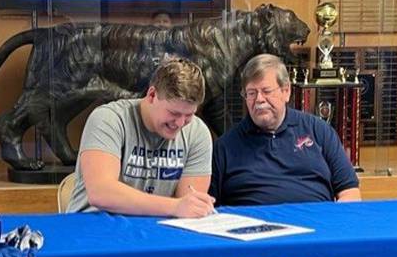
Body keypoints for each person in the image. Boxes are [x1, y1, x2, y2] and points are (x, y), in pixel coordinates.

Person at [66, 58, 215, 217]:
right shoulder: (108, 119)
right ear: (151, 95)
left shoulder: (197, 132)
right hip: (94, 227)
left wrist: (189, 206)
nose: (180, 123)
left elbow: (189, 206)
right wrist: (175, 207)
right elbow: (101, 193)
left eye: (189, 115)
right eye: (174, 113)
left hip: (155, 231)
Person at [210, 53, 361, 206]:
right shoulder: (225, 147)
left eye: (266, 91)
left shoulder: (319, 131)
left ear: (286, 91)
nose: (259, 100)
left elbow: (349, 191)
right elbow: (210, 207)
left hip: (316, 224)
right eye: (251, 93)